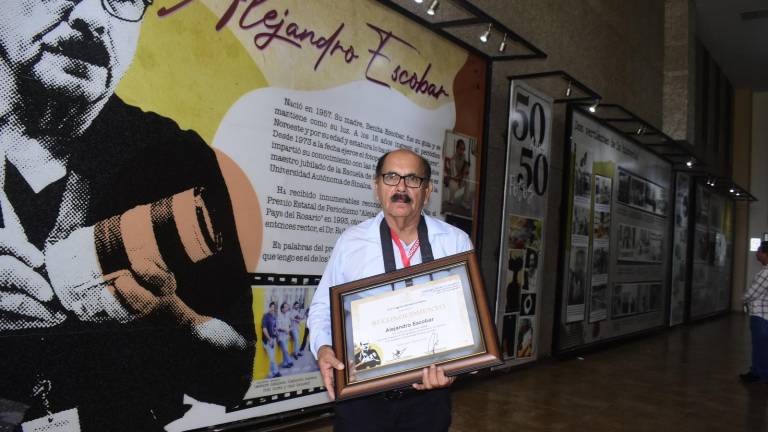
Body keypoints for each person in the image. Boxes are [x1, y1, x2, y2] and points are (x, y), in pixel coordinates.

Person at [0, 0, 255, 429]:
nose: (93, 18)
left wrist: (176, 319)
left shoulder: (173, 156)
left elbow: (232, 374)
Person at [308, 149, 472, 431]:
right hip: (362, 395)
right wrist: (323, 349)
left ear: (427, 189)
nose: (401, 188)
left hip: (428, 396)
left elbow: (472, 319)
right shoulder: (352, 242)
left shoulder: (455, 243)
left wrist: (456, 367)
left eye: (412, 179)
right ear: (376, 186)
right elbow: (323, 307)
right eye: (391, 177)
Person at [740, 241, 768, 384]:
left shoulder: (766, 273)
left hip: (761, 315)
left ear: (765, 253)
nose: (757, 254)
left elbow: (752, 293)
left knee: (760, 346)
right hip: (764, 315)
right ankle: (756, 371)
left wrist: (743, 298)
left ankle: (760, 374)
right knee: (761, 346)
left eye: (758, 251)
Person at [262, 302, 281, 378]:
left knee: (272, 357)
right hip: (268, 340)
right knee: (272, 357)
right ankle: (275, 373)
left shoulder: (274, 317)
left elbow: (275, 328)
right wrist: (269, 339)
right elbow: (264, 329)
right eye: (272, 307)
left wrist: (277, 336)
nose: (273, 309)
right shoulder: (266, 316)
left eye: (275, 308)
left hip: (273, 339)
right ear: (269, 307)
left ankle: (274, 372)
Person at [277, 301, 295, 368]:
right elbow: (278, 327)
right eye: (285, 307)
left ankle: (285, 364)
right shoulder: (279, 316)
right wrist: (285, 330)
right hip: (281, 337)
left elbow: (289, 326)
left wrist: (289, 329)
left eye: (287, 307)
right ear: (282, 309)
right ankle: (289, 361)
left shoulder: (287, 316)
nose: (286, 308)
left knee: (285, 351)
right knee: (285, 350)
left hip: (287, 336)